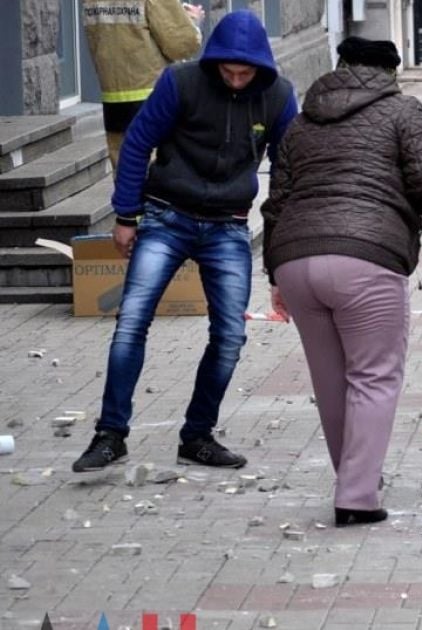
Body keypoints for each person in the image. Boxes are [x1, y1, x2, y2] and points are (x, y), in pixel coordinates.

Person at [72, 11, 298, 474]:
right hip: (165, 214)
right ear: (214, 60)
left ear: (261, 67)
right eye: (227, 71)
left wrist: (282, 249)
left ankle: (197, 436)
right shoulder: (181, 81)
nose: (235, 81)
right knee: (132, 322)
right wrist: (126, 215)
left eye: (245, 72)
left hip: (229, 225)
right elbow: (137, 142)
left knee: (231, 335)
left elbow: (290, 168)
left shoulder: (278, 95)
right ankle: (110, 434)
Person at [263, 38, 422, 527]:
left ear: (340, 68)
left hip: (295, 260)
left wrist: (273, 275)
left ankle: (354, 476)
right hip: (365, 257)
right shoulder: (403, 110)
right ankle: (357, 494)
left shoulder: (302, 123)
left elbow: (276, 202)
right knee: (373, 375)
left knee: (331, 381)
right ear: (391, 73)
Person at [82, 0, 204, 169]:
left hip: (113, 97)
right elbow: (181, 44)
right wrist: (191, 22)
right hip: (153, 95)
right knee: (157, 177)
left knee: (126, 174)